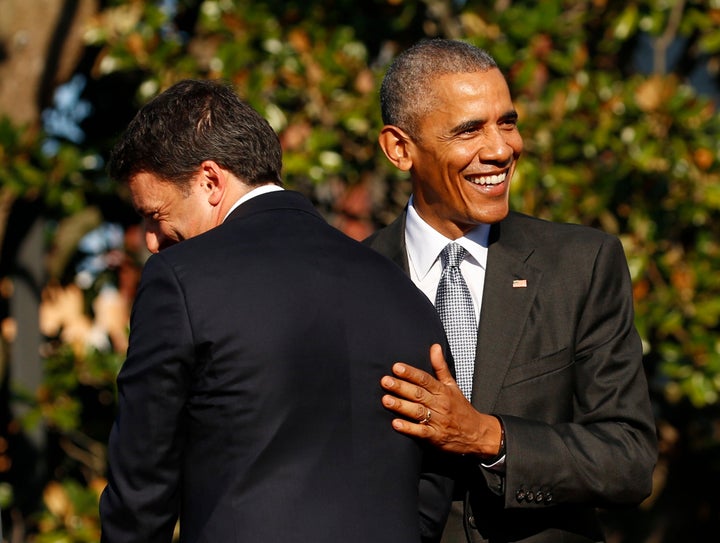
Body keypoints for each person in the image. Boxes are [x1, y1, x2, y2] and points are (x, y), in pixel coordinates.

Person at [98, 78, 452, 543]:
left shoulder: (181, 280)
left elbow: (142, 486)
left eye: (155, 214)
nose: (150, 239)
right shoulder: (400, 288)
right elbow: (434, 475)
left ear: (209, 181)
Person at [365, 39, 658, 543]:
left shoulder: (580, 265)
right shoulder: (355, 277)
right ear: (399, 148)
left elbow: (628, 459)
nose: (502, 148)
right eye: (469, 130)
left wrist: (488, 437)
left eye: (507, 121)